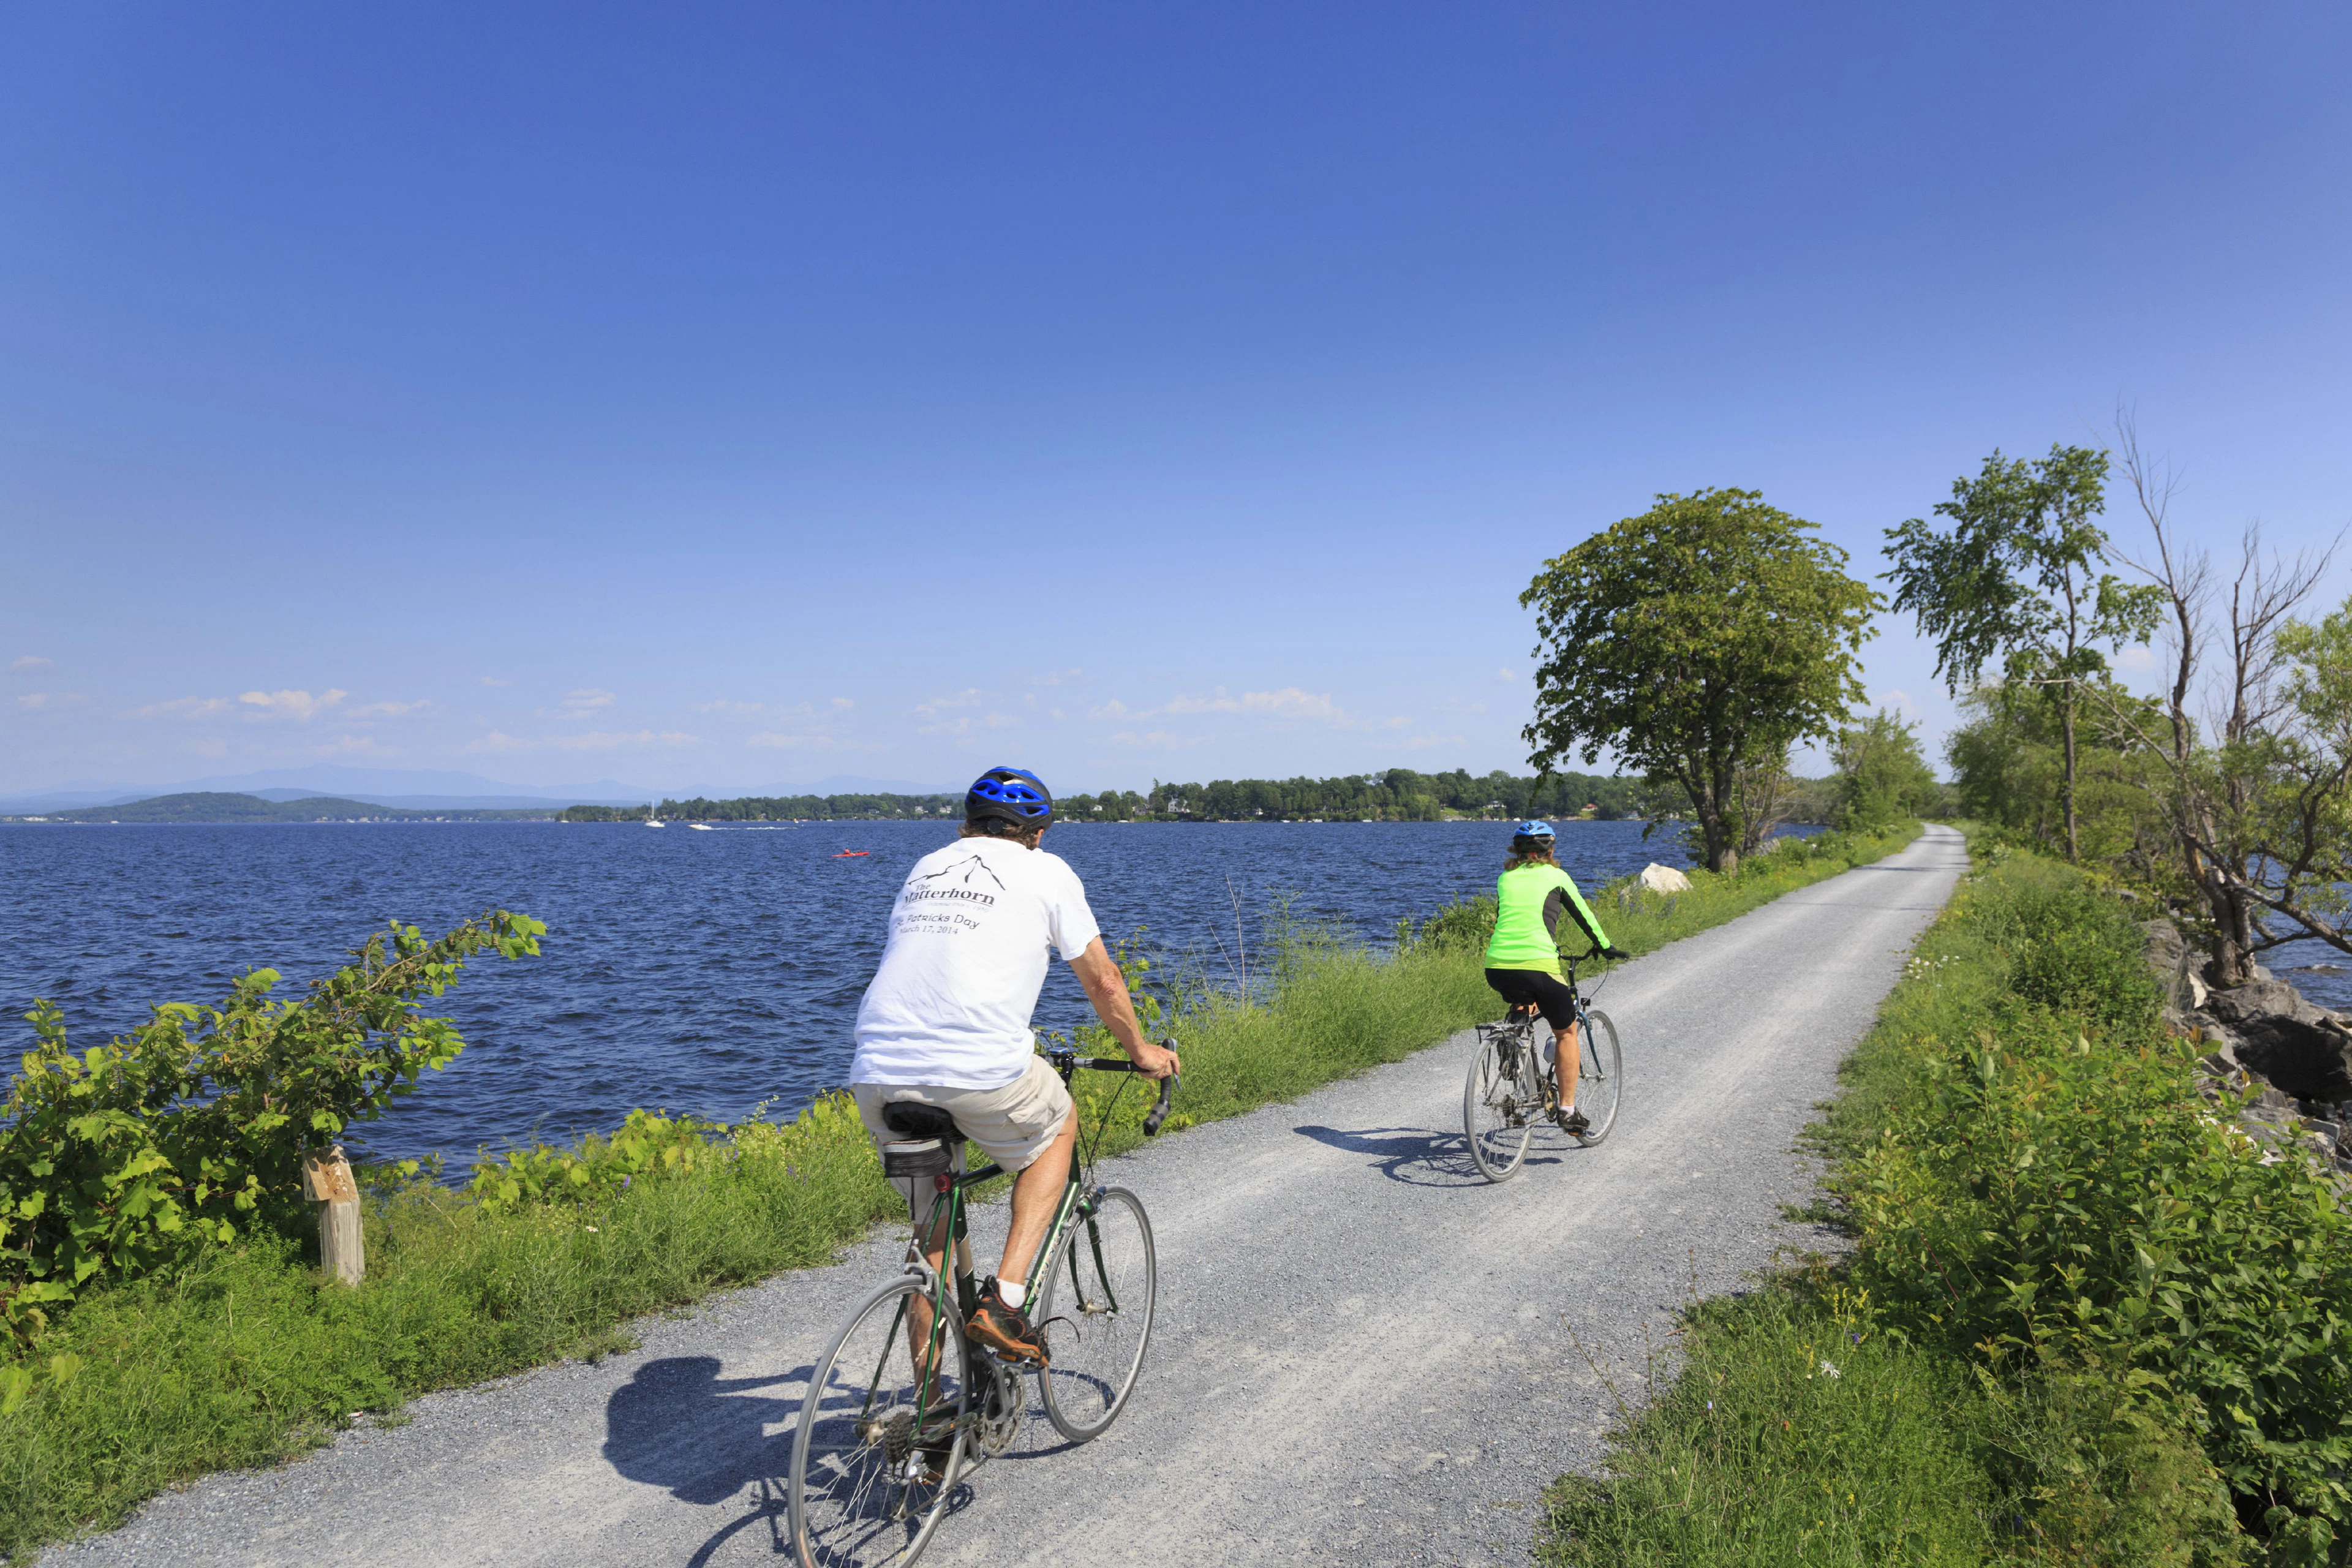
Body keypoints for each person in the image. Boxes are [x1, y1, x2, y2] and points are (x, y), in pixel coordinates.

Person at [849, 766, 1180, 1368]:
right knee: (1057, 1125)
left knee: (934, 1236)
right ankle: (1004, 1300)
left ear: (964, 828)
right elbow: (1104, 980)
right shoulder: (1047, 871)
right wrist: (1142, 1053)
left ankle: (932, 1416)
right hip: (975, 1069)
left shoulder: (926, 867)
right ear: (1037, 835)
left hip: (877, 1070)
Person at [1482, 820, 1626, 1134]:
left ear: (1517, 852)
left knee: (1526, 996)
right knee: (1566, 1033)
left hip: (1496, 966)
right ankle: (1568, 1111)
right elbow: (1584, 915)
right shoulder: (1558, 877)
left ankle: (1516, 1030)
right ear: (1551, 849)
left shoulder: (1505, 878)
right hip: (1538, 965)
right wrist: (1605, 947)